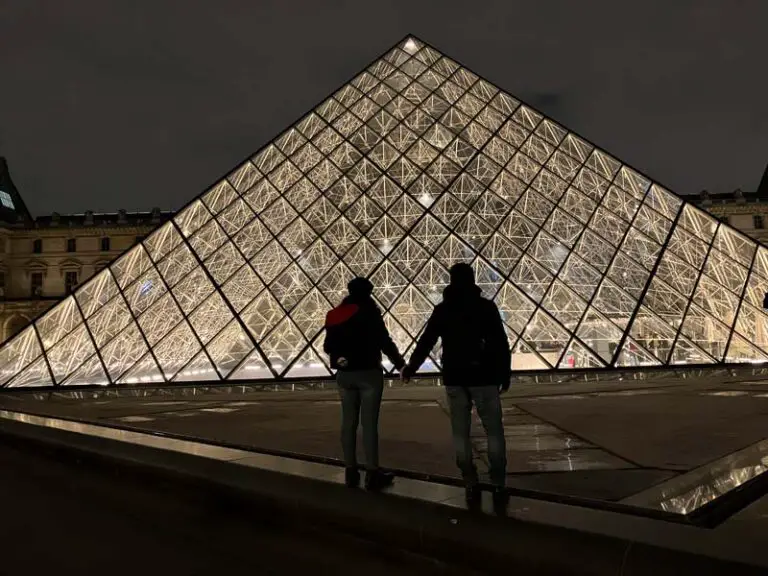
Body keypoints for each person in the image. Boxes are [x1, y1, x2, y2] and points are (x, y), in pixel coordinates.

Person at [401, 263, 511, 514]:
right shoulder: (486, 307)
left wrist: (411, 367)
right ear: (473, 281)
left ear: (451, 281)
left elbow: (427, 341)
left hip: (455, 378)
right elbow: (500, 343)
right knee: (494, 431)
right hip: (485, 377)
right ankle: (498, 483)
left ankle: (470, 481)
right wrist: (505, 373)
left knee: (461, 434)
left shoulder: (443, 309)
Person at [323, 277, 405, 491]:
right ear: (368, 293)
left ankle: (350, 469)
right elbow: (384, 341)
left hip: (345, 374)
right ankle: (372, 471)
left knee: (347, 423)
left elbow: (327, 346)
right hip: (368, 373)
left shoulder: (334, 315)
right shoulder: (370, 312)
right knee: (369, 424)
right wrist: (400, 364)